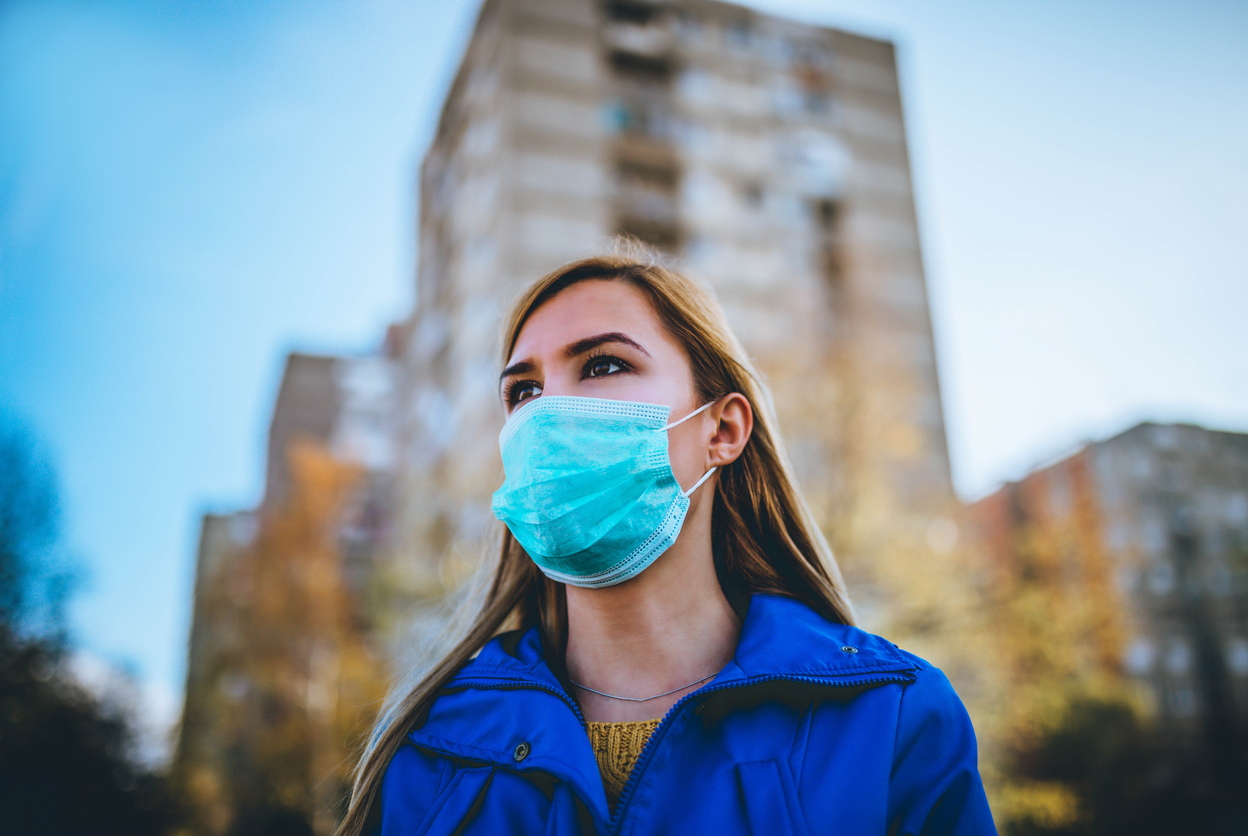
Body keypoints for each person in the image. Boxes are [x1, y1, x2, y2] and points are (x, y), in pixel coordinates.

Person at [337, 252, 997, 836]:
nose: (547, 414)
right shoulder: (432, 746)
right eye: (524, 390)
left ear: (723, 428)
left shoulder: (892, 720)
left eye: (603, 365)